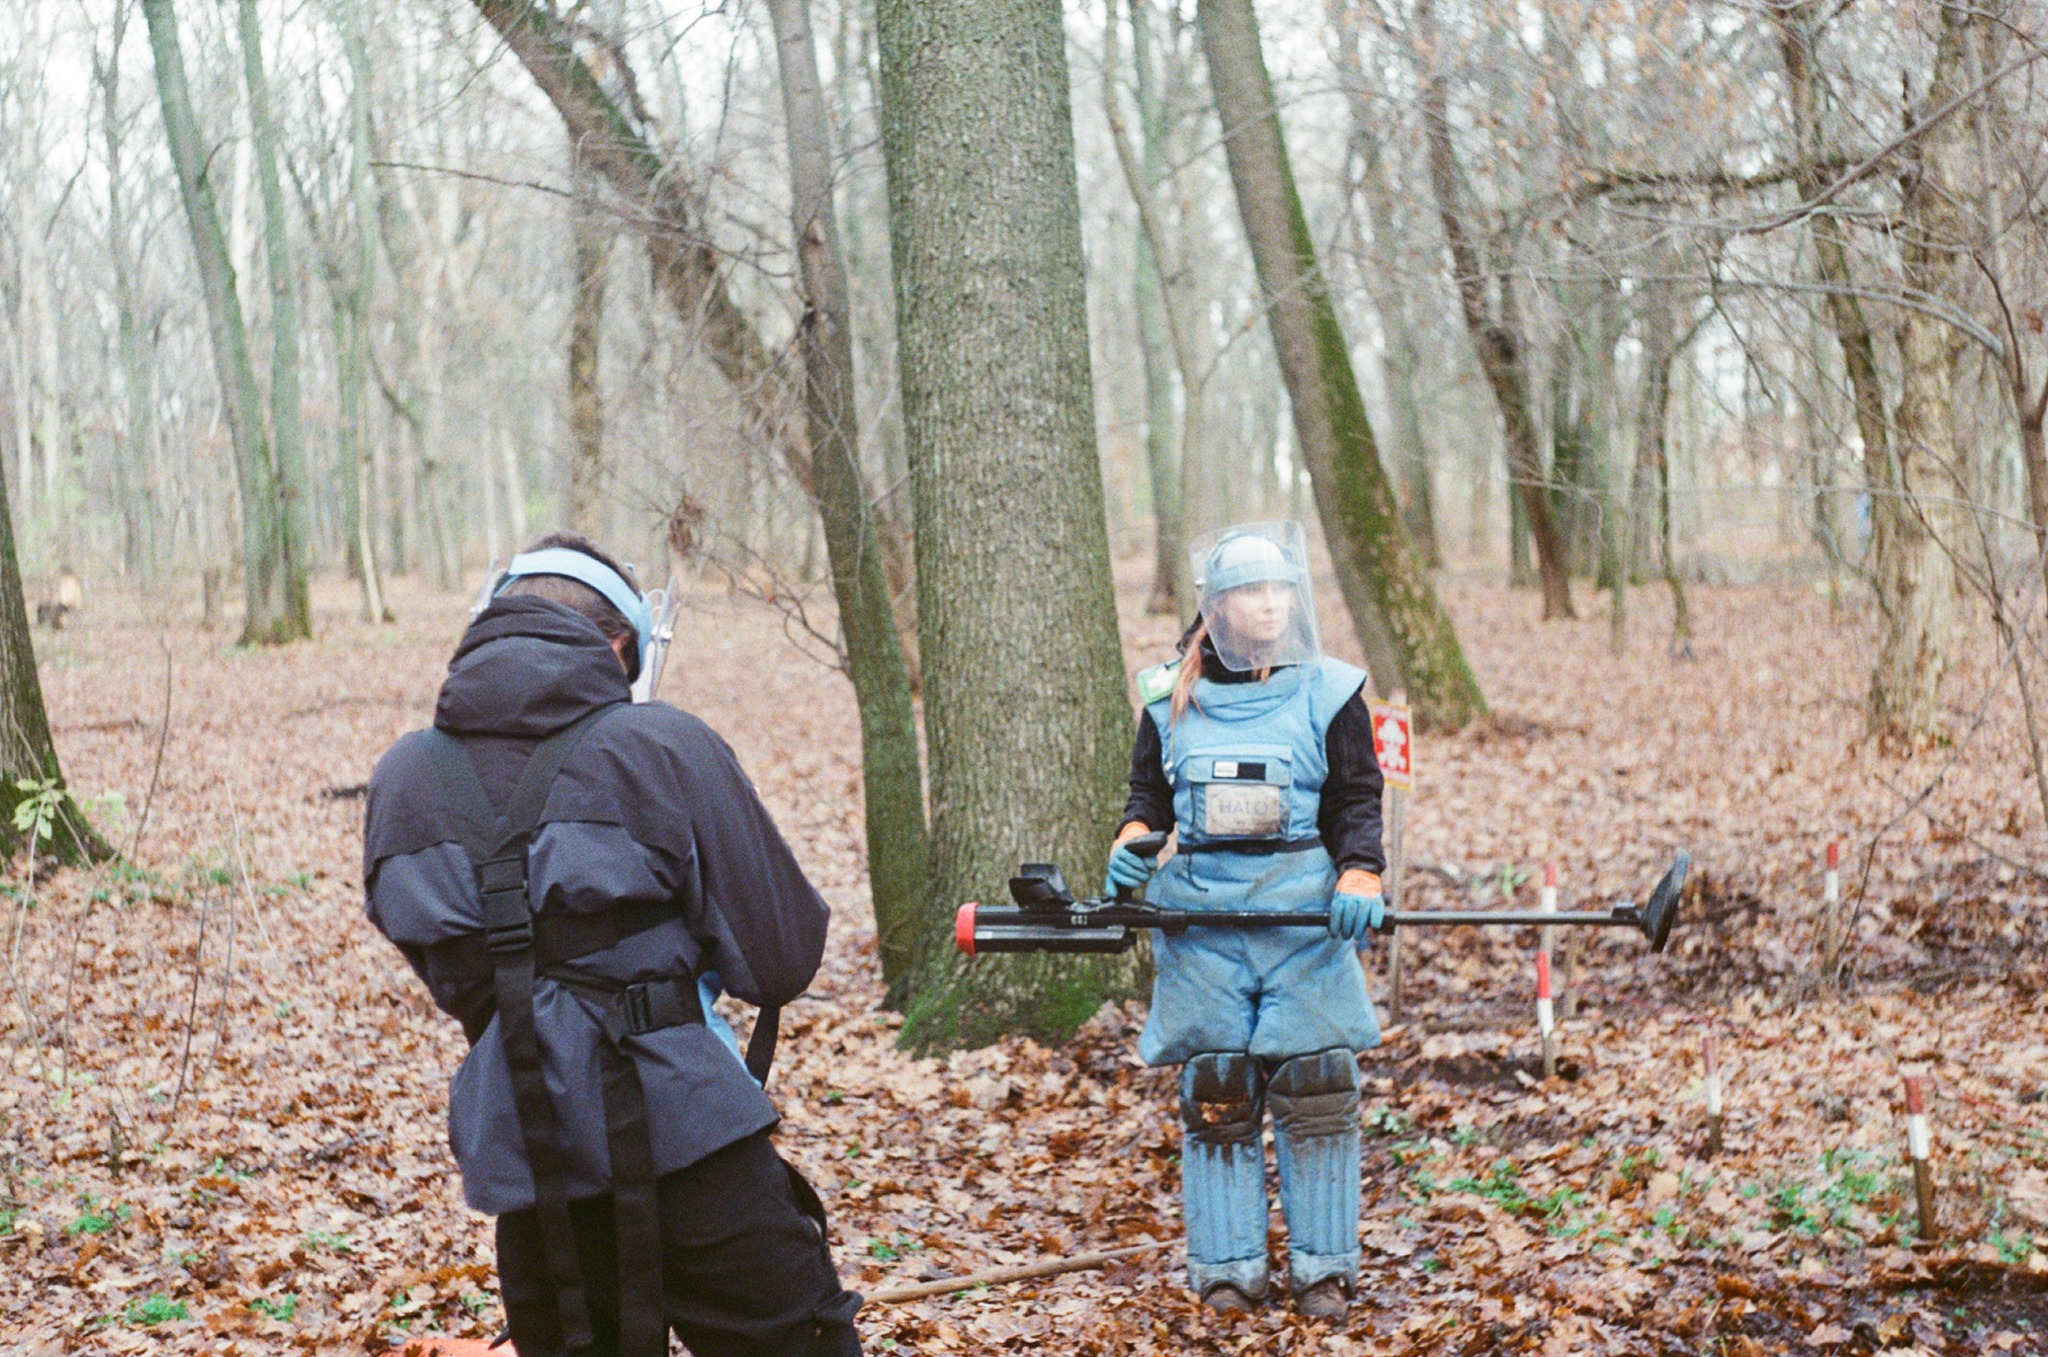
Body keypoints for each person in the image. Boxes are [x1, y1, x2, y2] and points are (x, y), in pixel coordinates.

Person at [362, 530, 862, 1357]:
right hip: (691, 1139)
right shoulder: (661, 746)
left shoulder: (403, 777)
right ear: (621, 644)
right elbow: (781, 955)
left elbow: (452, 970)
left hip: (533, 1153)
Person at [1110, 520, 1385, 1319]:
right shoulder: (1169, 699)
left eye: (1279, 590)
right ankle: (1227, 1271)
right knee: (1217, 1089)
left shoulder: (1332, 691)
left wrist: (1361, 868)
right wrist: (1132, 842)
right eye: (1250, 591)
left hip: (1303, 919)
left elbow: (1355, 796)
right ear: (1217, 606)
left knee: (1319, 1082)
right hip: (1203, 925)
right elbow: (1148, 797)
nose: (1269, 605)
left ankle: (1324, 1271)